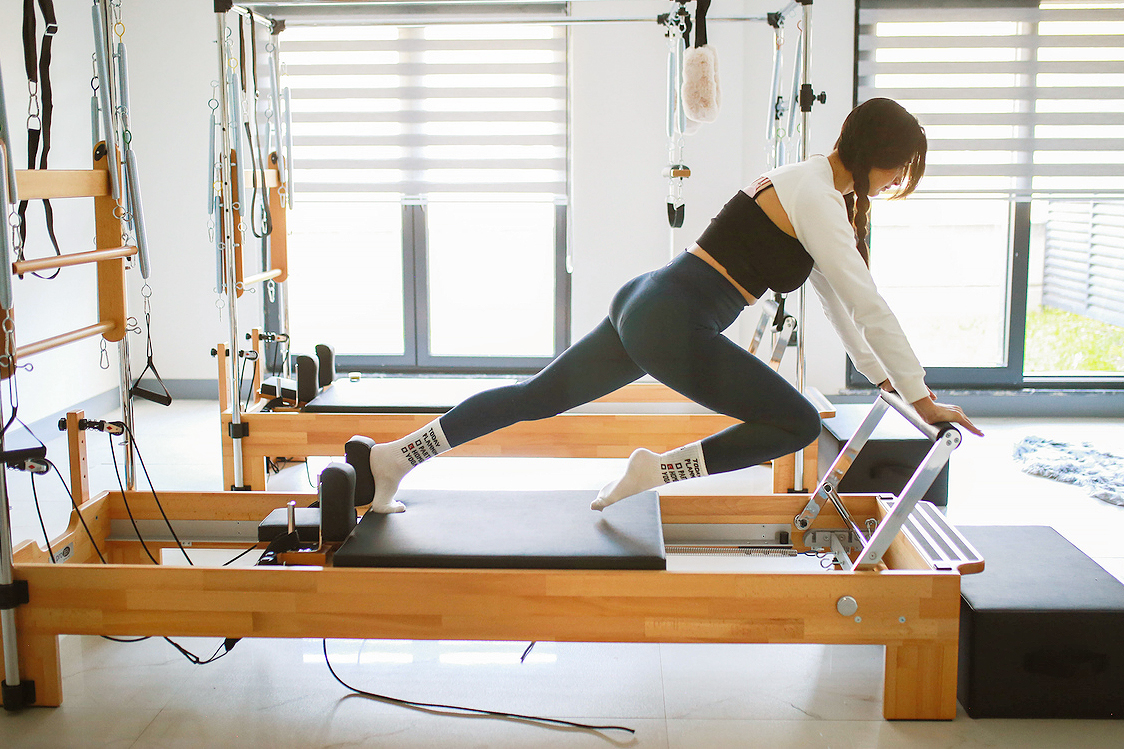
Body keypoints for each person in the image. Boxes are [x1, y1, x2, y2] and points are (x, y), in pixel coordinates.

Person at [358, 97, 982, 514]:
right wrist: (921, 396)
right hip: (674, 319)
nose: (896, 183)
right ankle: (654, 471)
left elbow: (842, 307)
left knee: (534, 397)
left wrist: (888, 383)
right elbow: (870, 304)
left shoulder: (810, 185)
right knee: (795, 424)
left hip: (650, 300)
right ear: (878, 156)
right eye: (900, 170)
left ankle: (395, 457)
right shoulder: (818, 197)